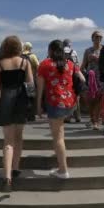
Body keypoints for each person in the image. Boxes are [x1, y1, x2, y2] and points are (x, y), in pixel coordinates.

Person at [37, 40, 86, 179]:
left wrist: (38, 106)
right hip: (70, 103)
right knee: (60, 133)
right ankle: (60, 156)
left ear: (51, 50)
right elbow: (82, 79)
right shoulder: (70, 64)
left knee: (57, 137)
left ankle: (63, 170)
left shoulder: (44, 64)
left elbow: (40, 88)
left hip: (54, 102)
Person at [0, 36, 34, 191]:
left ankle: (7, 177)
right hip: (21, 101)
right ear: (18, 47)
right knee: (19, 136)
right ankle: (16, 167)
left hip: (6, 101)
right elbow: (30, 86)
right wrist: (33, 105)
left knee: (8, 141)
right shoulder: (25, 62)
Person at [80, 31, 104, 130]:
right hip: (90, 77)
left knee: (98, 99)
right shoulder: (87, 50)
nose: (98, 38)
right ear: (92, 38)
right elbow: (83, 66)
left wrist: (97, 59)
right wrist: (84, 74)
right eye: (96, 36)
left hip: (101, 77)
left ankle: (96, 121)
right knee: (89, 100)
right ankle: (92, 118)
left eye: (100, 37)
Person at [63, 39, 81, 123]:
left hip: (67, 76)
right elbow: (77, 64)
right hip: (76, 75)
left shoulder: (62, 52)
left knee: (68, 95)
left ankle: (68, 116)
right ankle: (78, 116)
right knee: (76, 96)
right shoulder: (74, 52)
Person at [22, 42, 39, 121]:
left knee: (23, 97)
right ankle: (31, 116)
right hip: (30, 80)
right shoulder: (32, 56)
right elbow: (38, 66)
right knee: (31, 98)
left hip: (21, 80)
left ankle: (23, 115)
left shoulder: (20, 56)